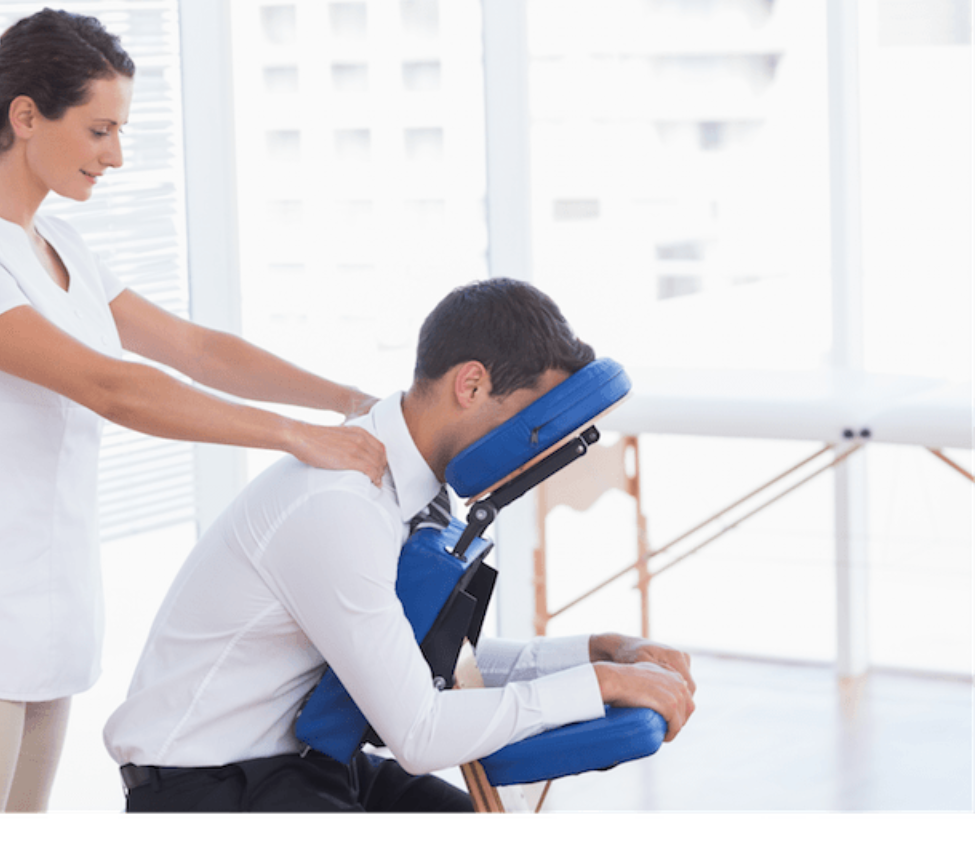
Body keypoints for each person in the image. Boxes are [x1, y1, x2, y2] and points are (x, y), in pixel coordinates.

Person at [0, 9, 385, 816]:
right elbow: (112, 387)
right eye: (99, 129)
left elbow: (197, 350)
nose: (117, 155)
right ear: (26, 116)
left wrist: (352, 403)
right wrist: (297, 436)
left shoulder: (63, 246)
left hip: (36, 624)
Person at [104, 278, 696, 815]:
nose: (534, 451)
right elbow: (420, 732)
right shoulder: (342, 504)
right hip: (208, 788)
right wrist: (601, 686)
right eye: (532, 420)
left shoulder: (412, 490)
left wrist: (599, 654)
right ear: (471, 384)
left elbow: (422, 664)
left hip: (301, 766)